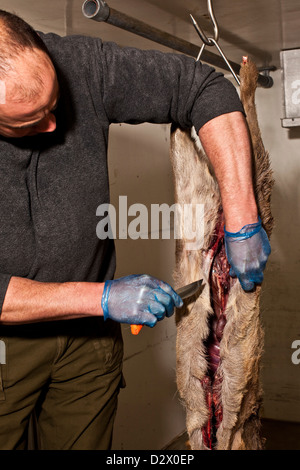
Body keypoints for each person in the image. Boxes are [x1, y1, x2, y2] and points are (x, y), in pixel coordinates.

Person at [0, 10, 270, 450]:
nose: (53, 127)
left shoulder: (80, 64)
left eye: (54, 106)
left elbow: (202, 86)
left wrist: (242, 216)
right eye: (27, 121)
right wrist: (102, 298)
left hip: (88, 345)